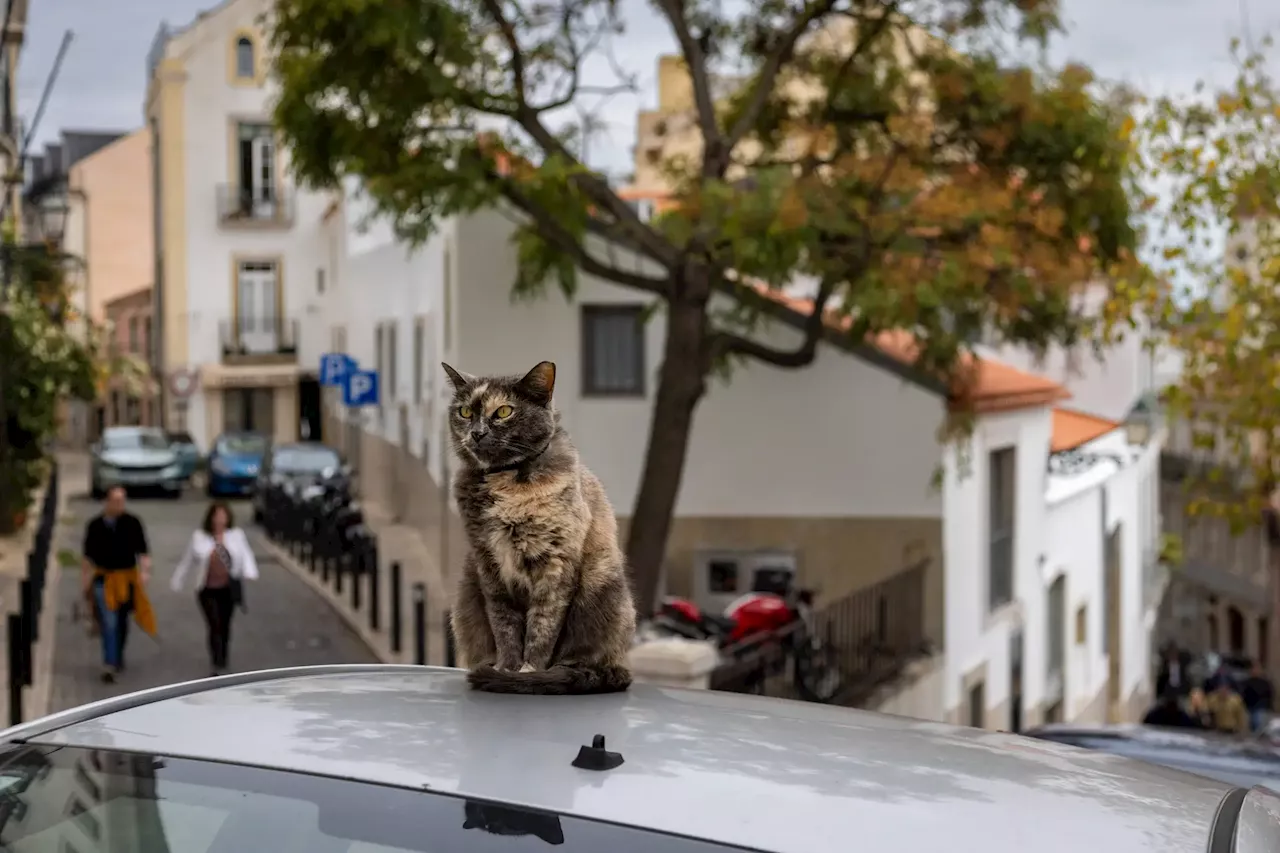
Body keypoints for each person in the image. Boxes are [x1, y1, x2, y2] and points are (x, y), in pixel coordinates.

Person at [170, 501, 260, 676]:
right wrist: (178, 581)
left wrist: (250, 572)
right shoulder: (200, 537)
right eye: (216, 516)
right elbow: (188, 560)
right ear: (210, 518)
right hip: (207, 589)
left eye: (223, 516)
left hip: (228, 588)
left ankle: (223, 659)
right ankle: (216, 662)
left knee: (225, 625)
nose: (220, 520)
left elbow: (246, 554)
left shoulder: (236, 535)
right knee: (214, 623)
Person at [81, 486, 157, 683]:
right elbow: (87, 558)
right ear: (106, 501)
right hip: (104, 580)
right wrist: (85, 584)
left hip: (127, 579)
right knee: (109, 622)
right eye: (115, 500)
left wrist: (145, 573)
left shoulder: (132, 523)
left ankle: (117, 655)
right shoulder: (95, 526)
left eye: (122, 501)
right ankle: (109, 663)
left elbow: (143, 551)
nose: (119, 505)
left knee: (122, 621)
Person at [1241, 662, 1274, 733]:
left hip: (1260, 706)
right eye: (1253, 669)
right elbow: (1243, 693)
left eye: (1257, 669)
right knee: (1252, 725)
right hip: (1249, 706)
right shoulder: (1247, 682)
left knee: (1258, 724)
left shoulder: (1265, 682)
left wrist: (1269, 706)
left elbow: (1269, 694)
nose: (1255, 671)